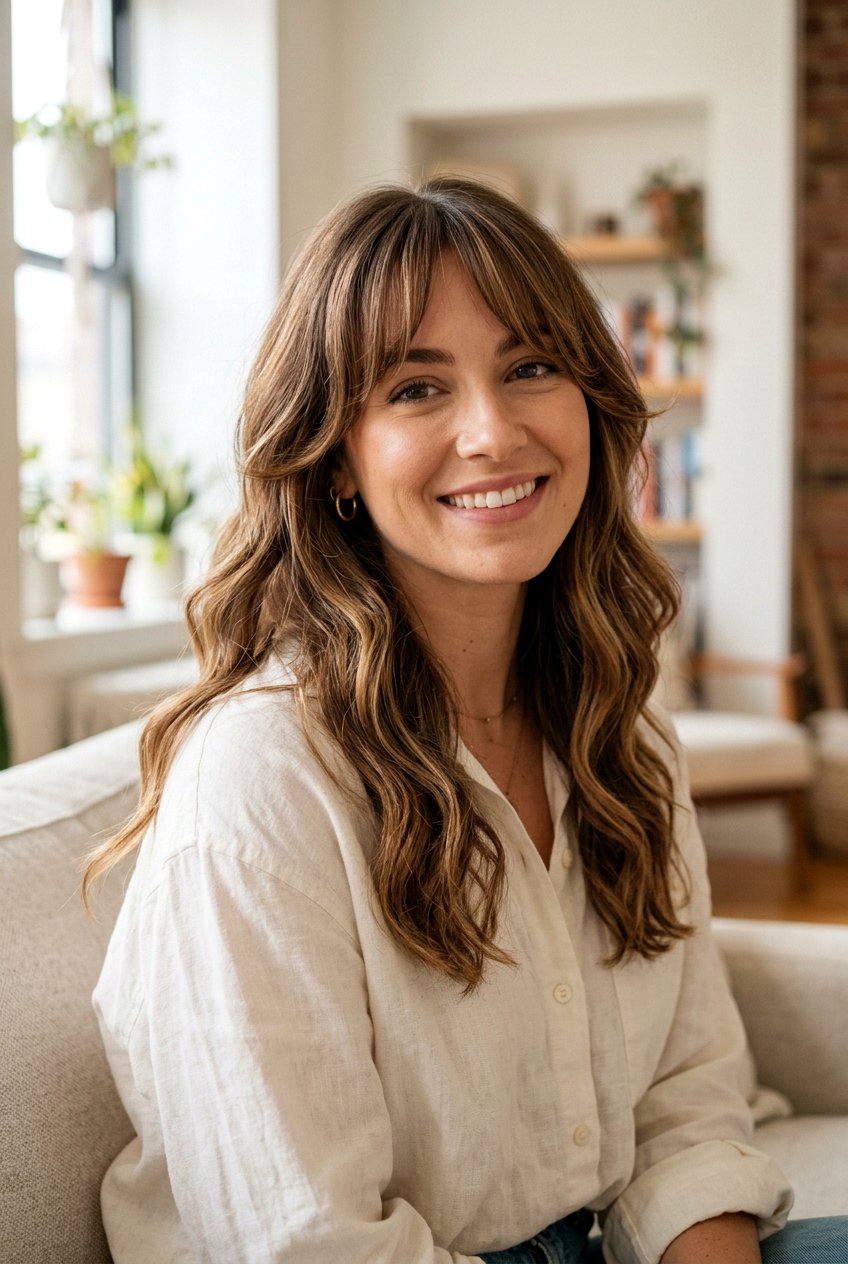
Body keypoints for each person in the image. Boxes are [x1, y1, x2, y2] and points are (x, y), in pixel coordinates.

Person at [85, 177, 843, 1263]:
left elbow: (686, 1098)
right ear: (335, 458)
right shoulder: (262, 780)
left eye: (530, 367)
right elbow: (309, 1244)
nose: (493, 432)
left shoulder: (622, 736)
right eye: (416, 388)